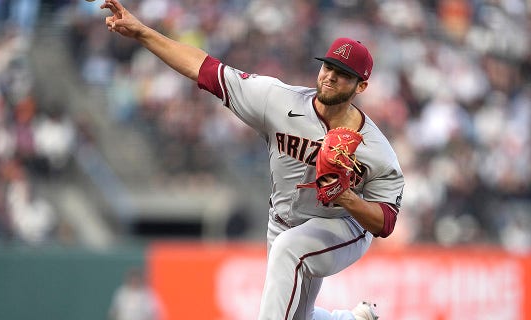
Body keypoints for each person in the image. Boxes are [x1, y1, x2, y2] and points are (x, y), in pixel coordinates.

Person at [100, 1, 405, 319]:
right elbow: (205, 69)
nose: (330, 77)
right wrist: (142, 32)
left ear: (362, 85)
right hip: (283, 221)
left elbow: (385, 221)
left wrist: (348, 198)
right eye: (328, 67)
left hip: (342, 227)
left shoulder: (375, 149)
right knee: (296, 309)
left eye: (343, 75)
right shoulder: (278, 100)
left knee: (290, 250)